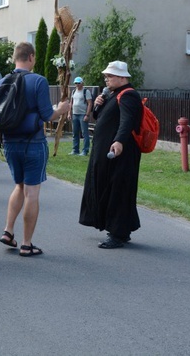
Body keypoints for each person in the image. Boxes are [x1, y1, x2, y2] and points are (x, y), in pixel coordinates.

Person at [0, 43, 70, 257]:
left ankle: (8, 230)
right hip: (33, 143)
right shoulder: (38, 80)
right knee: (32, 192)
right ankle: (27, 244)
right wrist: (62, 109)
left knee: (19, 186)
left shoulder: (3, 81)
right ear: (31, 57)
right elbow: (47, 115)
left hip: (9, 143)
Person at [79, 61, 143, 249]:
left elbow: (127, 121)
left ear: (123, 77)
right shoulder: (114, 94)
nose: (106, 79)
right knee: (111, 188)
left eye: (110, 76)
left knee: (118, 190)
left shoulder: (129, 96)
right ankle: (120, 229)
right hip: (109, 152)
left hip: (119, 153)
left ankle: (117, 233)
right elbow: (102, 117)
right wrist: (99, 105)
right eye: (106, 76)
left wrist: (119, 141)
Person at [70, 77, 93, 156]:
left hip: (82, 114)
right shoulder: (73, 91)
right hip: (74, 114)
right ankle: (75, 150)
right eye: (76, 83)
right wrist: (69, 113)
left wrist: (87, 115)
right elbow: (71, 103)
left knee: (84, 133)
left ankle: (85, 150)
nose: (77, 85)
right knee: (75, 133)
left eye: (78, 83)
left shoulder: (86, 91)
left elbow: (90, 103)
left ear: (82, 83)